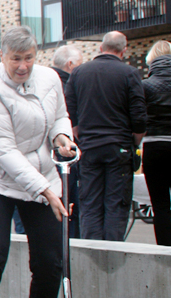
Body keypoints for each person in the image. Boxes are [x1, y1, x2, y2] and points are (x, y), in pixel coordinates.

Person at [0, 26, 75, 298]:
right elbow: (5, 151)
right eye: (15, 58)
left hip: (40, 176)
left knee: (51, 262)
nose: (23, 66)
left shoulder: (50, 78)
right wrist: (48, 191)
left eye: (28, 57)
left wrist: (61, 137)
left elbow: (60, 115)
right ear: (2, 56)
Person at [65, 31, 147, 241]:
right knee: (116, 203)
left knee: (90, 202)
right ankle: (112, 253)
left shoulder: (79, 73)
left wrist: (79, 137)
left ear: (101, 48)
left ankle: (92, 251)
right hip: (119, 148)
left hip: (89, 148)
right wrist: (134, 143)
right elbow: (139, 118)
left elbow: (69, 112)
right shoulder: (130, 74)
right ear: (124, 50)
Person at [49, 44, 85, 238]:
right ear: (70, 64)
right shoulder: (69, 85)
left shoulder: (47, 83)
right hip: (63, 153)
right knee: (68, 204)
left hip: (49, 153)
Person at [142, 40, 171, 246]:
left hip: (154, 145)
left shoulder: (144, 86)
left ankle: (164, 249)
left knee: (160, 204)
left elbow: (137, 117)